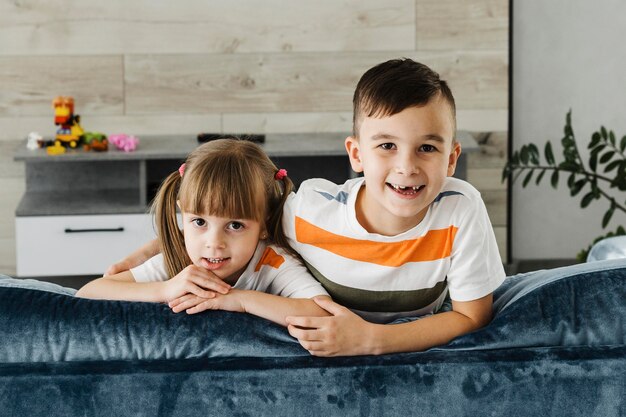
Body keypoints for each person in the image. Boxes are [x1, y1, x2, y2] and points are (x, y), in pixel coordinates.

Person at [106, 58, 506, 356]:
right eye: (386, 145)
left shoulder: (460, 209)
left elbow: (472, 317)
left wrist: (374, 340)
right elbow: (235, 217)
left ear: (451, 159)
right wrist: (158, 245)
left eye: (427, 148)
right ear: (356, 154)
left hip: (387, 340)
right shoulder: (312, 211)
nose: (407, 166)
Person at [76, 139, 330, 326]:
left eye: (235, 225)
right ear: (182, 216)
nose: (213, 243)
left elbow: (323, 313)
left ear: (264, 225)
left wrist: (240, 301)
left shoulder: (272, 261)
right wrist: (164, 289)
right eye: (199, 222)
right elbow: (87, 293)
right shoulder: (180, 260)